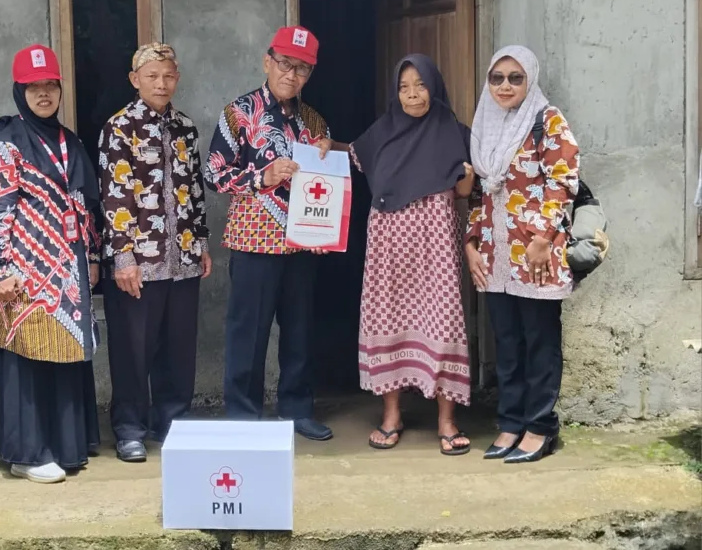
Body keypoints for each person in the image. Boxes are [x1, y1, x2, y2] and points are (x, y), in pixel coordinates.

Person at [318, 54, 475, 455]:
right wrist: (327, 147)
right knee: (388, 317)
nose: (412, 95)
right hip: (388, 242)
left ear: (434, 87)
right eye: (404, 87)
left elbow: (465, 189)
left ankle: (447, 420)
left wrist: (467, 180)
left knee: (443, 322)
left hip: (435, 244)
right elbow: (354, 154)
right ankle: (391, 416)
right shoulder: (384, 130)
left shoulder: (455, 132)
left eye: (420, 85)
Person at [0, 44, 102, 483]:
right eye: (34, 87)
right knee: (26, 359)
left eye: (50, 85)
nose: (44, 94)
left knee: (63, 354)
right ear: (19, 90)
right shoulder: (6, 143)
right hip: (23, 270)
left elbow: (85, 206)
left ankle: (65, 445)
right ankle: (26, 453)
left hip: (69, 271)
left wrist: (93, 255)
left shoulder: (69, 141)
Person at [204, 26, 333, 441]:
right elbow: (213, 174)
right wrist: (263, 176)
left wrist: (331, 153)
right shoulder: (238, 113)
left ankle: (297, 410)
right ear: (267, 61)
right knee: (248, 332)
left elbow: (327, 179)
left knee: (299, 331)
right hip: (253, 241)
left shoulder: (314, 121)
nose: (291, 75)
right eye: (285, 64)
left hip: (302, 242)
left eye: (302, 69)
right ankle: (244, 416)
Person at [465, 45, 580, 464]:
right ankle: (511, 423)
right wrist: (471, 244)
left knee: (539, 341)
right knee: (507, 342)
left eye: (516, 78)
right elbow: (480, 192)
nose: (505, 86)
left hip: (535, 255)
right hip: (495, 256)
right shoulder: (486, 124)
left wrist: (543, 238)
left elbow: (563, 181)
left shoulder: (546, 120)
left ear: (529, 79)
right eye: (497, 78)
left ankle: (540, 427)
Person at [98, 43, 211, 462]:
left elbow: (194, 189)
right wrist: (123, 257)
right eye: (152, 76)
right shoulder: (119, 127)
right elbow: (114, 195)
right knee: (133, 349)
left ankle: (172, 423)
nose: (161, 83)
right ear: (135, 80)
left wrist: (201, 242)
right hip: (139, 262)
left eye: (168, 76)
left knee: (178, 348)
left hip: (182, 257)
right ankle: (129, 427)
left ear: (176, 79)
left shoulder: (185, 127)